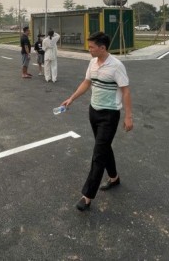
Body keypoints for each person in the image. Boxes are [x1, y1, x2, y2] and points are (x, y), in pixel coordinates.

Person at [60, 31, 133, 211]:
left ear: (102, 47)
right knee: (104, 147)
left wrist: (128, 116)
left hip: (110, 115)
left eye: (92, 47)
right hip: (94, 111)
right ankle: (114, 178)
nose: (89, 49)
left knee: (98, 154)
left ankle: (87, 196)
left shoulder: (116, 66)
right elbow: (87, 82)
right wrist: (71, 98)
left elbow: (126, 91)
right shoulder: (92, 63)